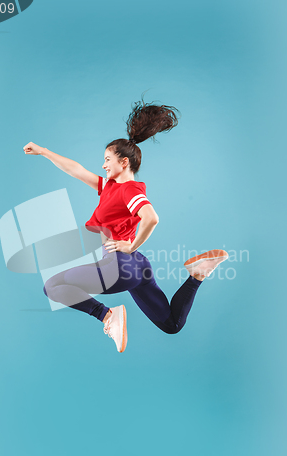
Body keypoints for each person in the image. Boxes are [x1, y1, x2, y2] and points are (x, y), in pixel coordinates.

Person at [23, 100, 228, 353]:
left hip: (119, 266)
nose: (103, 165)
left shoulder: (129, 189)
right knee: (172, 324)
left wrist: (131, 245)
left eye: (107, 159)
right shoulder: (109, 187)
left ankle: (106, 316)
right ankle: (198, 273)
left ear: (124, 163)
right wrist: (44, 151)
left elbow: (151, 217)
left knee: (52, 286)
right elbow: (76, 170)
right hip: (138, 266)